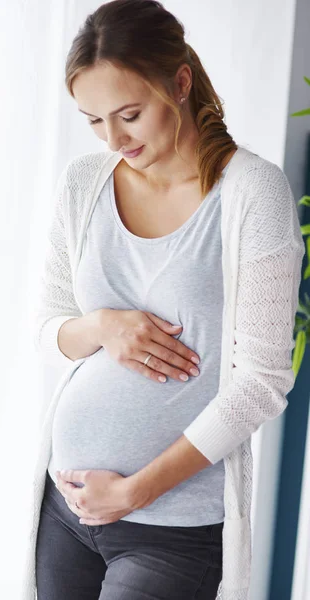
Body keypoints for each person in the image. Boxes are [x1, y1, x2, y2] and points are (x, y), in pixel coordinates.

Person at [26, 1, 305, 599]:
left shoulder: (252, 194)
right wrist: (103, 325)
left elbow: (261, 380)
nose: (114, 138)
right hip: (66, 510)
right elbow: (49, 327)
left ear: (180, 82)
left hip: (174, 529)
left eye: (130, 113)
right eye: (94, 120)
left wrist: (137, 491)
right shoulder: (84, 183)